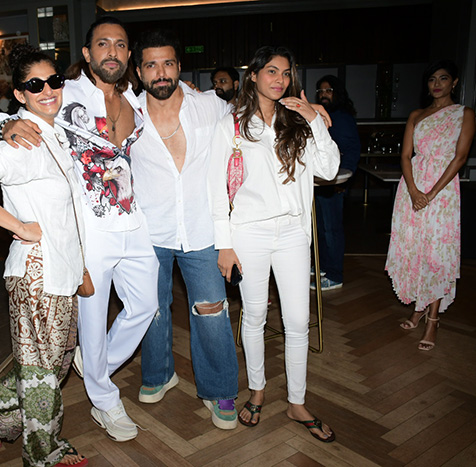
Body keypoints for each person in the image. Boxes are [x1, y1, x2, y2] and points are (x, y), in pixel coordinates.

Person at [0, 16, 158, 442]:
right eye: (103, 44)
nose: (113, 52)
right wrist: (3, 125)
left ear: (129, 54)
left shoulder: (136, 100)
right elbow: (19, 113)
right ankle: (105, 401)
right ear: (87, 54)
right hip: (90, 226)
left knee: (146, 304)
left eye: (121, 45)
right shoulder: (64, 94)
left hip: (132, 218)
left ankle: (94, 363)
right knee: (93, 316)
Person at [0, 44, 88, 467]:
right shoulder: (21, 142)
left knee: (52, 364)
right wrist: (19, 226)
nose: (48, 90)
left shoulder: (53, 132)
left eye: (53, 81)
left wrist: (80, 268)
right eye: (35, 85)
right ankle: (42, 454)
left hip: (60, 270)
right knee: (44, 373)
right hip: (37, 273)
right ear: (20, 94)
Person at [208, 46, 340, 442]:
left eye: (285, 73)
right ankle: (258, 391)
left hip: (292, 233)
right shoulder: (231, 125)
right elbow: (215, 188)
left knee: (297, 321)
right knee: (253, 316)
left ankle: (297, 402)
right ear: (253, 76)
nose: (279, 79)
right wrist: (223, 244)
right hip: (248, 232)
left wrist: (316, 119)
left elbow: (329, 170)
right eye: (271, 71)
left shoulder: (299, 121)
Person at [129, 29, 239, 429]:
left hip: (202, 228)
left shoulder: (210, 106)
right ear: (139, 71)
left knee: (211, 310)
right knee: (153, 311)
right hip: (148, 230)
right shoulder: (125, 113)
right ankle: (159, 374)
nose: (161, 73)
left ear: (180, 67)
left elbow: (255, 126)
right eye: (152, 65)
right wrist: (9, 126)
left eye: (169, 63)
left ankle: (219, 387)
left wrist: (307, 113)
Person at [386, 59, 474, 351]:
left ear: (455, 82)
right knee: (415, 249)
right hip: (411, 188)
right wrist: (413, 190)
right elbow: (405, 156)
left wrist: (432, 193)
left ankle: (433, 318)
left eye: (444, 78)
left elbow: (459, 158)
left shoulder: (465, 114)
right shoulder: (417, 114)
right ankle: (419, 307)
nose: (437, 84)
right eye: (432, 79)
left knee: (437, 252)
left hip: (444, 192)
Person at [311, 75, 361, 291]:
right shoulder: (316, 115)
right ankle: (323, 267)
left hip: (336, 182)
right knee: (320, 229)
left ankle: (334, 274)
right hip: (319, 183)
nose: (324, 95)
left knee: (332, 230)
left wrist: (345, 180)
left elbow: (351, 150)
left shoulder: (342, 117)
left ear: (337, 93)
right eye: (321, 91)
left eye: (329, 90)